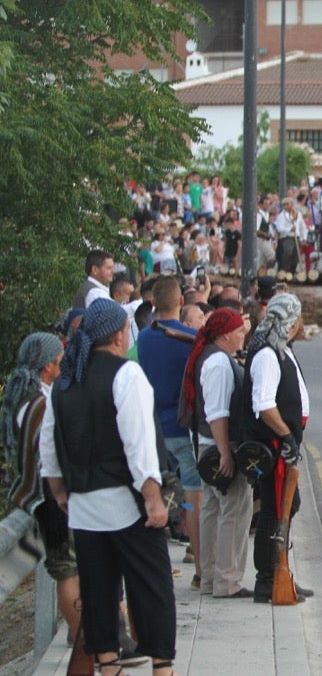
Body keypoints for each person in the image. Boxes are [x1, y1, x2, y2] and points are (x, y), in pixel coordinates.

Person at [40, 299, 176, 676]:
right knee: (153, 588)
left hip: (83, 506)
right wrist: (154, 499)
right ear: (119, 334)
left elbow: (48, 446)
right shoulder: (126, 374)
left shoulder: (64, 383)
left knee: (99, 593)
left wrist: (61, 493)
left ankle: (108, 666)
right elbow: (139, 444)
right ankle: (162, 669)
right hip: (127, 503)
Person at [2, 333, 81, 642]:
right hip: (50, 499)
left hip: (38, 497)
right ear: (48, 365)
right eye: (59, 358)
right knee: (67, 568)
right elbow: (51, 455)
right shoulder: (41, 405)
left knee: (67, 568)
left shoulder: (23, 397)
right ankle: (80, 637)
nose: (62, 362)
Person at [243, 293, 313, 604]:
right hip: (275, 445)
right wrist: (286, 436)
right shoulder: (267, 356)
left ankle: (279, 569)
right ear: (290, 321)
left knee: (286, 506)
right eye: (297, 318)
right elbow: (263, 405)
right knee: (276, 510)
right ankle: (267, 577)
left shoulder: (279, 350)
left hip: (283, 443)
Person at [179, 308, 253, 598]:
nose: (242, 334)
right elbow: (218, 413)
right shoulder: (220, 364)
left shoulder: (208, 356)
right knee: (232, 512)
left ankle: (210, 576)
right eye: (238, 331)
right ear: (225, 335)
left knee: (211, 509)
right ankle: (227, 580)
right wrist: (226, 453)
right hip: (218, 446)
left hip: (204, 446)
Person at [137, 276, 202, 588]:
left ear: (152, 303)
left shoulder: (143, 339)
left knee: (159, 484)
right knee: (191, 486)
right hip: (181, 424)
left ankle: (161, 538)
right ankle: (193, 545)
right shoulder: (190, 338)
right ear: (180, 303)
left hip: (151, 425)